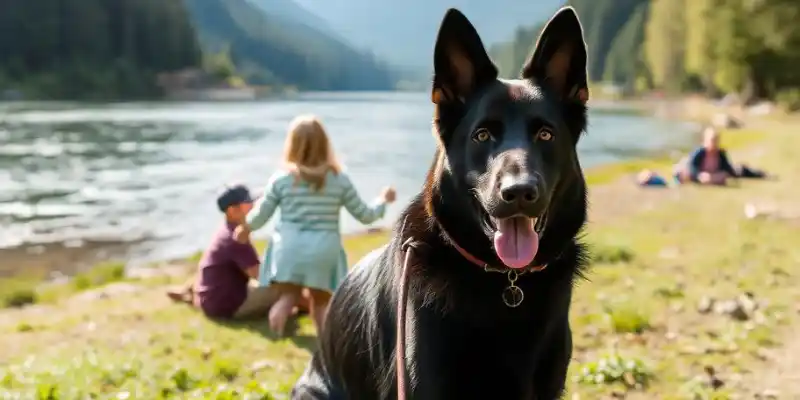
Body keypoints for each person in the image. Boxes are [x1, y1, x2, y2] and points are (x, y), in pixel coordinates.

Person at [234, 115, 396, 337]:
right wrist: (383, 200)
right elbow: (365, 216)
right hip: (323, 251)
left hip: (289, 250)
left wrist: (246, 229)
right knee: (320, 304)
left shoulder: (281, 179)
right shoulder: (339, 179)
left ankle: (277, 336)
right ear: (324, 144)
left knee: (286, 298)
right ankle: (324, 344)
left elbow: (261, 215)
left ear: (291, 145)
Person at [166, 184, 292, 320]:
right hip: (228, 306)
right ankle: (306, 308)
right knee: (288, 287)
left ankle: (192, 294)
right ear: (233, 210)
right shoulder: (237, 237)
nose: (255, 205)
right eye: (249, 202)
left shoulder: (227, 229)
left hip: (212, 298)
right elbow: (261, 276)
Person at [674, 127, 738, 185]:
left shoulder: (721, 154)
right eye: (712, 140)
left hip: (713, 175)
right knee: (682, 172)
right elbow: (692, 167)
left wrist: (719, 175)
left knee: (722, 176)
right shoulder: (699, 152)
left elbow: (728, 169)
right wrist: (699, 176)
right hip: (699, 174)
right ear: (705, 141)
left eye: (716, 140)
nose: (714, 143)